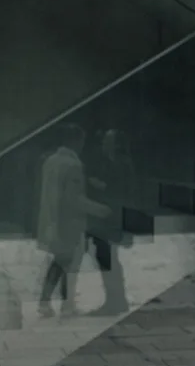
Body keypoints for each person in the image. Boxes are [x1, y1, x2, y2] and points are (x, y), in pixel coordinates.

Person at [37, 123, 109, 317]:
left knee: (61, 262)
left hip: (53, 220)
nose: (83, 145)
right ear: (75, 141)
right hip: (69, 223)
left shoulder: (51, 161)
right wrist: (100, 210)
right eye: (82, 140)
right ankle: (59, 304)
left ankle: (56, 303)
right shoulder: (73, 165)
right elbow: (74, 199)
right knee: (66, 263)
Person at [86, 129, 134, 316]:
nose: (104, 143)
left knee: (107, 256)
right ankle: (115, 299)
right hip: (105, 215)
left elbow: (125, 189)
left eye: (108, 140)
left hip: (113, 216)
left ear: (116, 143)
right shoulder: (107, 162)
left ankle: (115, 301)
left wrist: (102, 185)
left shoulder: (122, 163)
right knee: (106, 255)